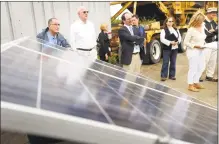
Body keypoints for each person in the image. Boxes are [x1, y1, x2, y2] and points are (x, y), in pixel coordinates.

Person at [183, 11, 206, 92]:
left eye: (203, 21)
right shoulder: (191, 30)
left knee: (201, 67)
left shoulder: (203, 26)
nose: (202, 22)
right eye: (200, 21)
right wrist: (195, 46)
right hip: (193, 51)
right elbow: (185, 42)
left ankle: (196, 82)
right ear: (196, 21)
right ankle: (190, 85)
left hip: (202, 50)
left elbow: (203, 37)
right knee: (193, 68)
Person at [160, 17, 182, 81]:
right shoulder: (163, 30)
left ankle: (172, 75)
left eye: (172, 21)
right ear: (166, 22)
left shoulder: (176, 29)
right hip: (167, 48)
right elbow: (162, 39)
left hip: (175, 48)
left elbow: (179, 37)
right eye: (169, 21)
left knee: (173, 62)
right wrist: (170, 42)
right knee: (165, 62)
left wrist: (178, 42)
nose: (170, 23)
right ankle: (163, 76)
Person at [200, 7, 218, 82]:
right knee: (204, 61)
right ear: (207, 13)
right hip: (206, 44)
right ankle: (198, 76)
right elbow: (206, 34)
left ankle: (209, 76)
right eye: (212, 13)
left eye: (215, 12)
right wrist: (214, 32)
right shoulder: (203, 23)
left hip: (214, 44)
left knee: (213, 61)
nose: (214, 14)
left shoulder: (214, 23)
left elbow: (215, 32)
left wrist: (214, 31)